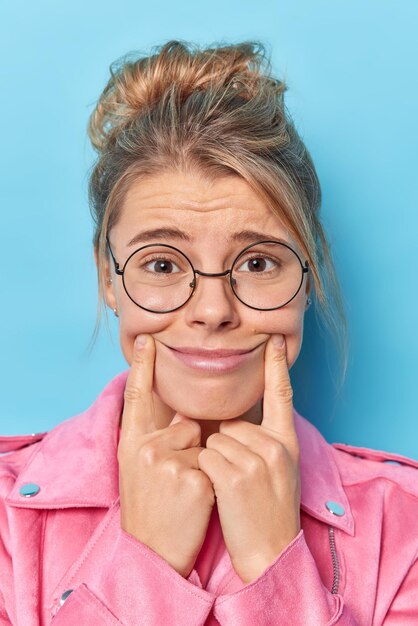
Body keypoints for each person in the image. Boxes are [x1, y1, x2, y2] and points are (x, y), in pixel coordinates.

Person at [0, 40, 417, 626]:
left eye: (258, 263)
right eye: (164, 265)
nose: (213, 310)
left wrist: (278, 568)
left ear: (310, 274)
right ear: (108, 278)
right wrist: (145, 565)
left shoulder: (407, 526)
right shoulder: (6, 517)